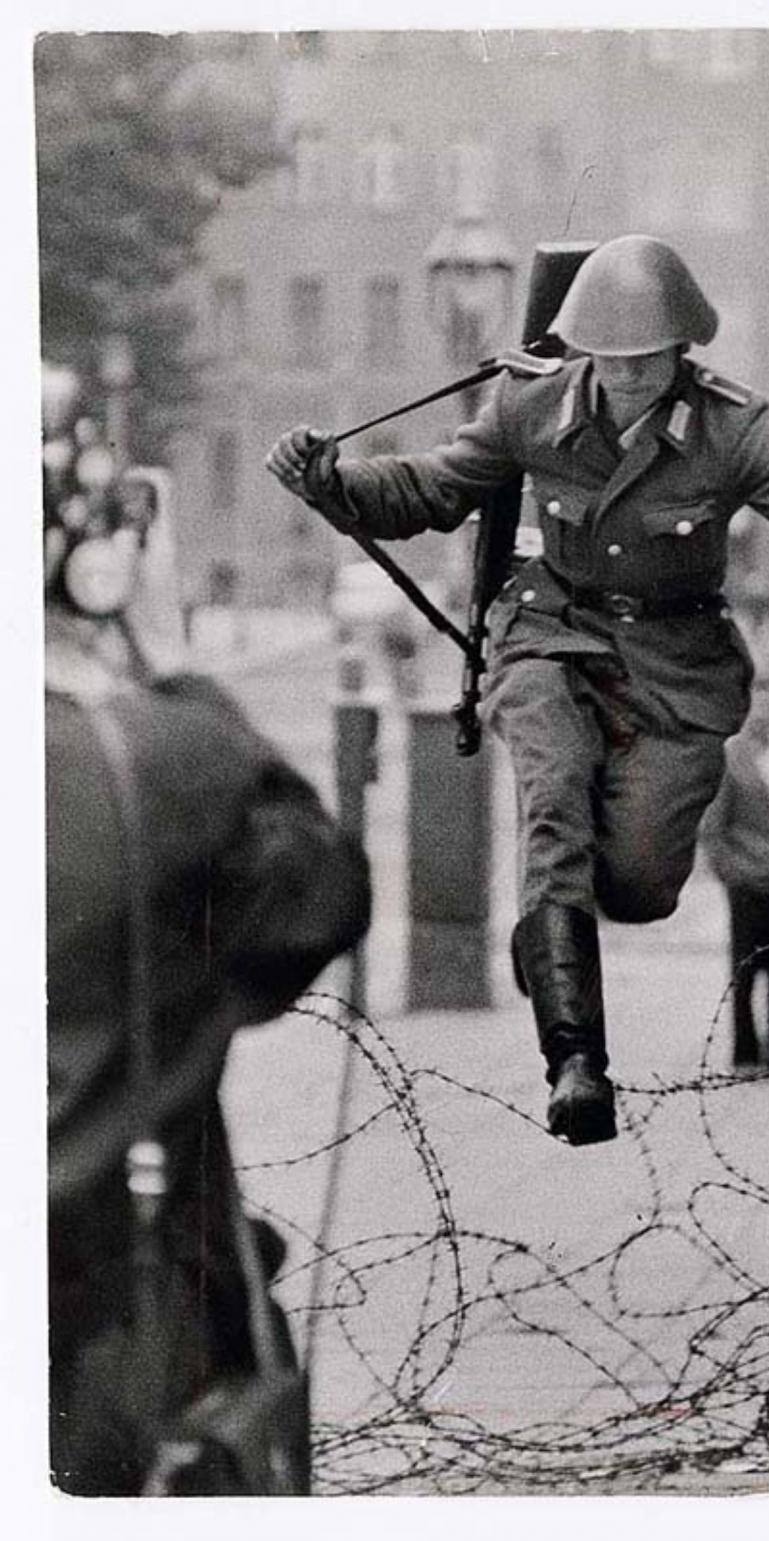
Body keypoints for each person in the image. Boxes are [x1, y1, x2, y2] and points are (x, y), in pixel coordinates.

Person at [268, 235, 769, 1143]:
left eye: (644, 361)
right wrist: (332, 479)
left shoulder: (731, 430)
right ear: (580, 349)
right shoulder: (531, 405)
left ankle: (550, 946)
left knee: (639, 884)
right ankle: (577, 1060)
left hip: (675, 667)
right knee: (552, 802)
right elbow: (430, 489)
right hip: (552, 633)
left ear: (681, 353)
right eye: (607, 359)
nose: (624, 378)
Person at [46, 375, 373, 1494]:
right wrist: (168, 665)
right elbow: (316, 899)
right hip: (104, 1346)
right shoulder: (157, 766)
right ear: (94, 560)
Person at [700, 674, 769, 1073]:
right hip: (748, 879)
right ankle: (745, 1054)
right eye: (757, 703)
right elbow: (713, 830)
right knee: (746, 970)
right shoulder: (729, 756)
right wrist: (735, 874)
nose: (765, 712)